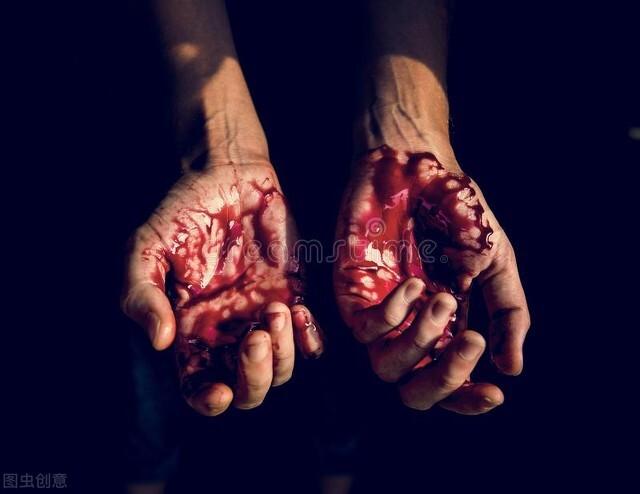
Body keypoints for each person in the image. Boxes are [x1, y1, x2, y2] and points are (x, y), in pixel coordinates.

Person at [121, 1, 530, 490]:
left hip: (338, 96)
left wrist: (407, 131)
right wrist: (218, 144)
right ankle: (145, 467)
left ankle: (334, 464)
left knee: (342, 345)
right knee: (167, 364)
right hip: (170, 90)